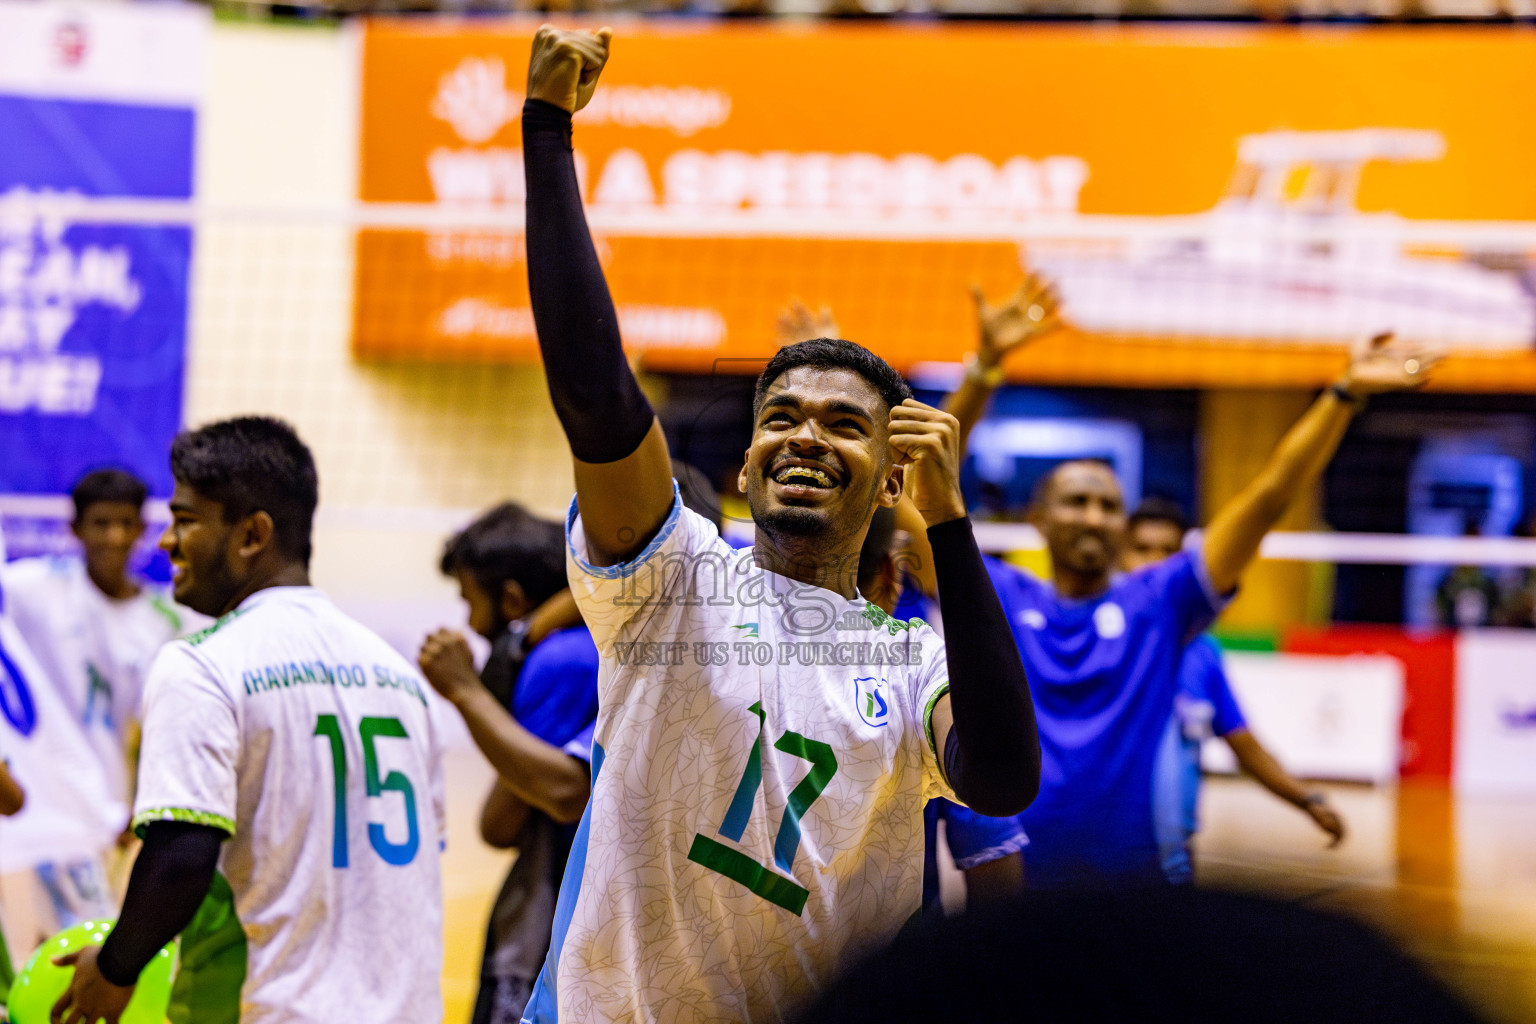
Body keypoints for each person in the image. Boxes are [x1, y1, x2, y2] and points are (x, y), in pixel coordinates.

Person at [518, 25, 1039, 1022]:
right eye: (780, 418)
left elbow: (1004, 779)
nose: (806, 436)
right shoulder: (672, 578)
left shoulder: (910, 663)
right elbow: (596, 397)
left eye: (845, 424)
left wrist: (954, 530)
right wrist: (548, 134)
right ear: (749, 461)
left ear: (892, 478)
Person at [930, 300, 1435, 887]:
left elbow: (1268, 497)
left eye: (1109, 505)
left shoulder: (1159, 602)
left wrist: (1342, 394)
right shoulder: (998, 596)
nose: (1094, 517)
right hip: (1021, 895)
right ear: (1037, 518)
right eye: (1076, 501)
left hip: (1139, 891)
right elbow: (929, 489)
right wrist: (985, 367)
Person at [50, 416, 446, 1024]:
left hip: (272, 1003)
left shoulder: (203, 664)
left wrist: (112, 970)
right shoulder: (398, 677)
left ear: (252, 535)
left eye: (185, 521)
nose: (165, 542)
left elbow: (182, 852)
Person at [420, 503, 600, 1024]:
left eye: (469, 602)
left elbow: (500, 823)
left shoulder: (560, 659)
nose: (469, 624)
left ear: (512, 598)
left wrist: (464, 690)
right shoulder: (583, 644)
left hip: (555, 926)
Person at [0, 470, 187, 948]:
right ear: (75, 529)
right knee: (74, 946)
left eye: (127, 524)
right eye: (101, 523)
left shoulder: (163, 618)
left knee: (94, 944)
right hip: (45, 797)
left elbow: (155, 729)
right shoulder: (36, 589)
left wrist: (144, 804)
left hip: (113, 807)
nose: (115, 537)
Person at [1122, 498, 1346, 884]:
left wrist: (1306, 799)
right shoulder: (1086, 635)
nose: (1154, 562)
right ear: (1118, 555)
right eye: (1142, 549)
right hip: (1085, 867)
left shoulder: (1204, 655)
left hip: (1172, 867)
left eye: (1168, 552)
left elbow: (1245, 747)